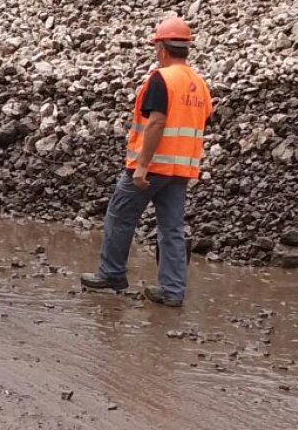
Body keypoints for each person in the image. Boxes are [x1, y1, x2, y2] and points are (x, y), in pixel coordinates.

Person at [81, 16, 213, 307]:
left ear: (162, 49)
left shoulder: (161, 78)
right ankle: (172, 290)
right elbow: (201, 120)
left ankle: (112, 273)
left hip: (152, 167)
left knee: (120, 215)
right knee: (172, 229)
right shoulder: (199, 84)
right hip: (181, 169)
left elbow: (156, 123)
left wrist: (142, 165)